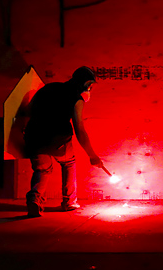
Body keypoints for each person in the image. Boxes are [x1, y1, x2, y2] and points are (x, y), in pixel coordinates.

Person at [20, 66, 110, 217]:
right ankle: (69, 202)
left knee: (42, 169)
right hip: (58, 141)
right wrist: (92, 156)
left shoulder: (48, 88)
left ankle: (34, 200)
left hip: (34, 137)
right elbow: (80, 131)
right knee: (68, 163)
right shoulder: (76, 99)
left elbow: (28, 111)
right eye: (90, 86)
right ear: (85, 84)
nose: (90, 90)